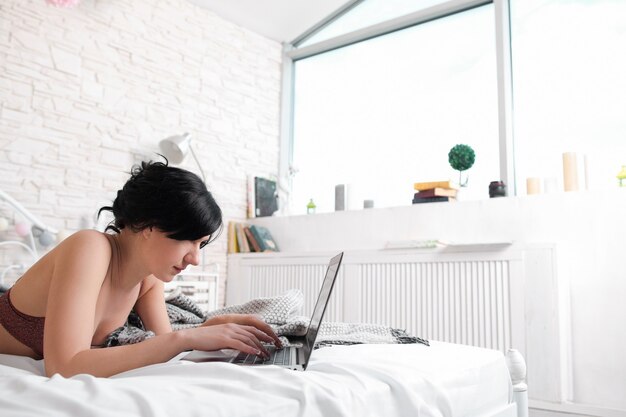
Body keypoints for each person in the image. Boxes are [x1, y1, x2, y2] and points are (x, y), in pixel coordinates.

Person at [0, 159, 281, 377]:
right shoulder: (90, 247)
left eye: (201, 245)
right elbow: (64, 366)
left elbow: (165, 343)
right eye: (188, 240)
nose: (195, 259)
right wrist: (185, 337)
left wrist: (209, 328)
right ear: (149, 225)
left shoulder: (148, 278)